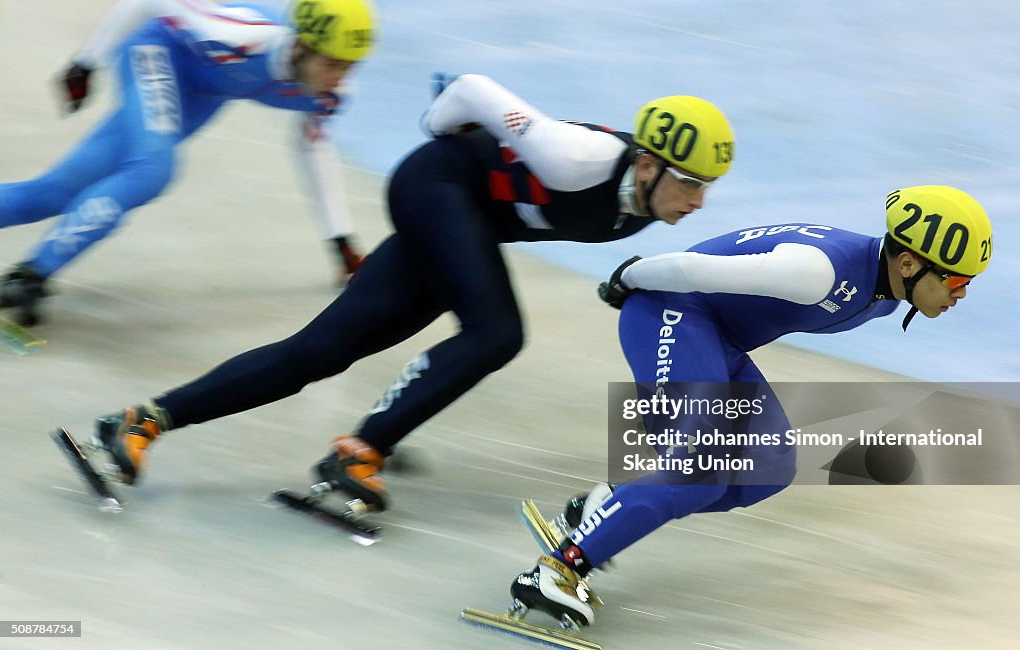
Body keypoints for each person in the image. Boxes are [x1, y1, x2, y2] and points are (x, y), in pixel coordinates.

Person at [72, 74, 738, 517]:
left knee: (320, 352)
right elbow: (475, 90)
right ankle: (363, 450)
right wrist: (437, 127)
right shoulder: (577, 158)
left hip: (462, 221)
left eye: (707, 185)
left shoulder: (651, 201)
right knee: (497, 332)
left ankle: (144, 420)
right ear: (647, 163)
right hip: (437, 189)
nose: (699, 200)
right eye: (689, 182)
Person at [505, 185, 993, 628]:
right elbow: (690, 268)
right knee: (700, 467)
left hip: (717, 338)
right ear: (909, 263)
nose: (962, 293)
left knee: (769, 468)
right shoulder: (821, 273)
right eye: (957, 280)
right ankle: (557, 571)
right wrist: (626, 278)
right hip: (670, 310)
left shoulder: (885, 290)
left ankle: (607, 507)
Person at [0, 0, 376, 325]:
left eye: (350, 67)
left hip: (200, 94)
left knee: (53, 192)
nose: (340, 78)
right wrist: (86, 62)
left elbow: (311, 146)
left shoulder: (332, 94)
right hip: (157, 51)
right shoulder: (241, 37)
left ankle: (31, 272)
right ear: (300, 47)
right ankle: (32, 274)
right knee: (153, 169)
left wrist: (339, 239)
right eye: (333, 64)